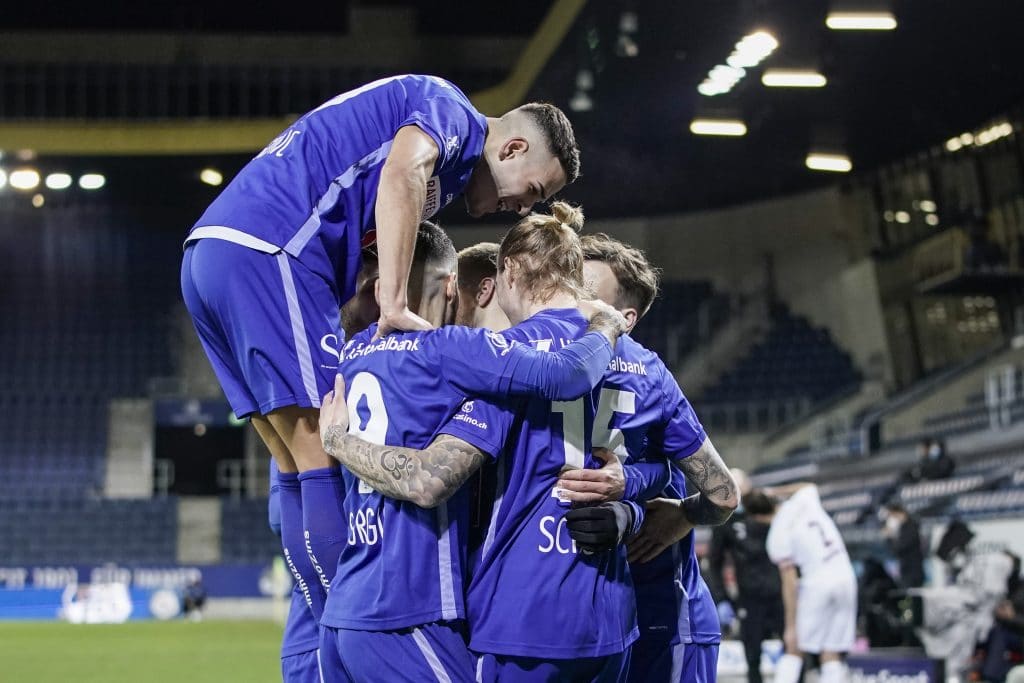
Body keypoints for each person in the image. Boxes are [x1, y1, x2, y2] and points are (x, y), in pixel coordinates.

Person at [180, 74, 581, 617]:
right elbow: (403, 171)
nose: (523, 209)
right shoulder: (452, 112)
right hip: (275, 251)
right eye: (533, 191)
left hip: (211, 252)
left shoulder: (444, 155)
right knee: (323, 445)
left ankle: (321, 625)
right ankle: (347, 626)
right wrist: (393, 301)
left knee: (291, 460)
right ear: (512, 148)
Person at [320, 204, 639, 681]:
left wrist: (337, 440)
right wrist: (607, 324)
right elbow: (566, 374)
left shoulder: (352, 353)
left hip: (344, 607)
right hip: (410, 609)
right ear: (451, 285)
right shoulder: (452, 349)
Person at [555, 232, 740, 682]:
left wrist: (680, 511)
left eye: (587, 294)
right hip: (599, 615)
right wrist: (679, 509)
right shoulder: (646, 373)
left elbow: (725, 495)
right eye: (569, 289)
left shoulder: (532, 361)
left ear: (626, 319)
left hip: (655, 613)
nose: (574, 304)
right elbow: (722, 495)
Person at [764, 483, 858, 683]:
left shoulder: (777, 533)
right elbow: (808, 486)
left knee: (794, 648)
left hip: (818, 583)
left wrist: (790, 627)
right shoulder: (803, 501)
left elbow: (790, 583)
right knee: (831, 650)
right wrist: (775, 490)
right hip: (846, 578)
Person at [708, 479, 783, 683]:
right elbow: (715, 562)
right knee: (753, 656)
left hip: (780, 593)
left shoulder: (768, 512)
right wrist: (722, 597)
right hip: (750, 597)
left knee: (793, 649)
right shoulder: (725, 523)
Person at [881, 503, 925, 589]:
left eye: (892, 516)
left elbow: (898, 549)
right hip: (909, 571)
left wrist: (889, 537)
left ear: (899, 513)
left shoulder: (910, 528)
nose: (891, 519)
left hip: (912, 573)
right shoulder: (905, 528)